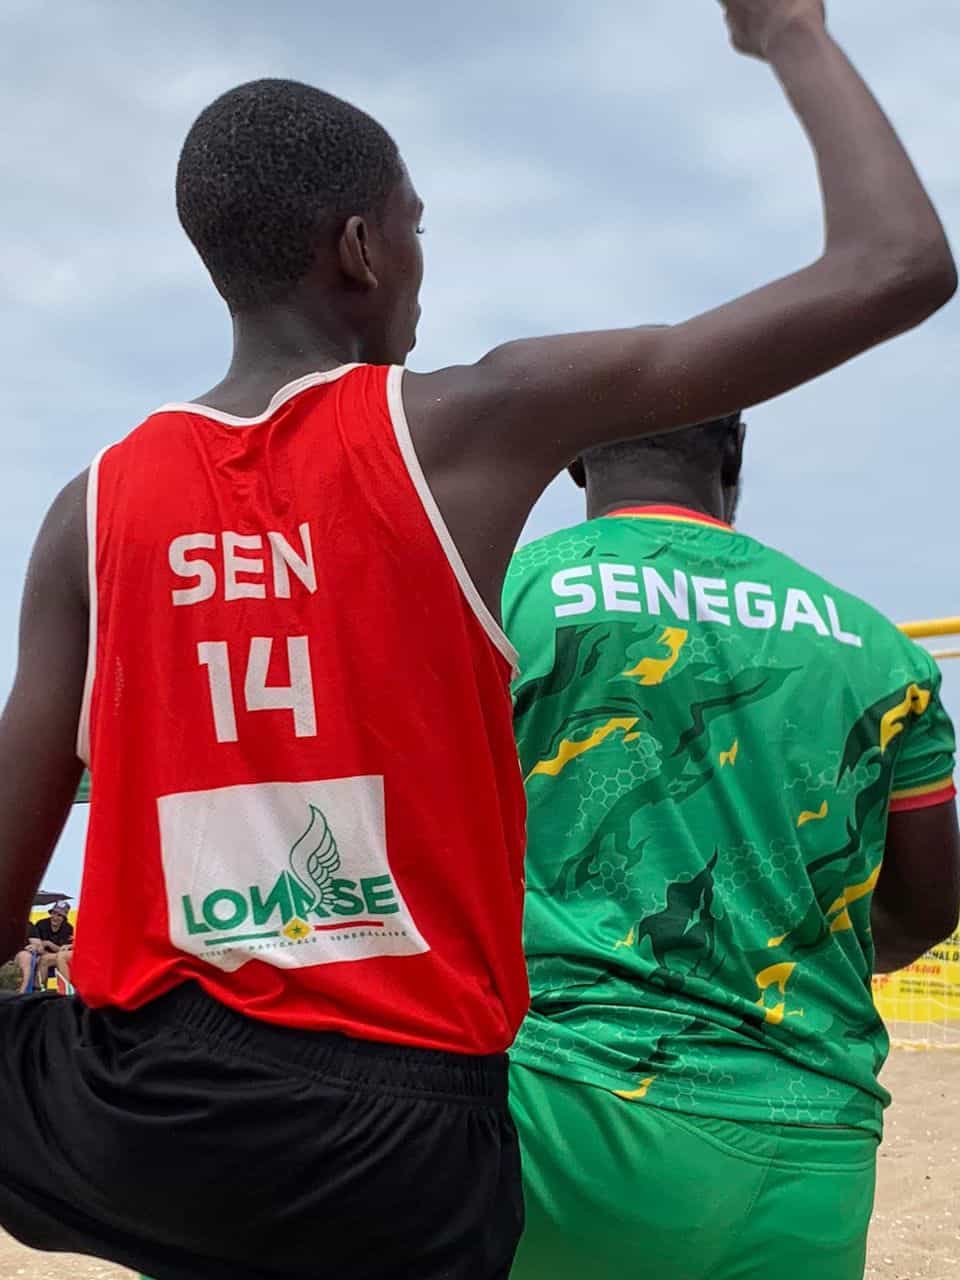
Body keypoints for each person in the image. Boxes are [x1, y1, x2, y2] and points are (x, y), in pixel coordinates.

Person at [0, 3, 955, 1277]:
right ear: (362, 250)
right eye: (417, 228)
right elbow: (896, 264)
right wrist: (788, 34)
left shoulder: (94, 505)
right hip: (404, 1136)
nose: (422, 260)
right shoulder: (462, 431)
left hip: (144, 1118)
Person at [503, 413, 960, 1280]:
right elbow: (926, 908)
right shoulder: (878, 648)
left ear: (571, 462)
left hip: (557, 1110)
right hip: (808, 1130)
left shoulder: (499, 598)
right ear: (734, 453)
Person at [13, 901, 74, 993]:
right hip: (42, 955)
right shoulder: (41, 924)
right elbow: (39, 947)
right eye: (54, 913)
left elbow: (64, 949)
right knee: (44, 959)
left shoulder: (68, 928)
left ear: (64, 918)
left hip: (56, 956)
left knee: (52, 958)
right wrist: (54, 949)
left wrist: (49, 944)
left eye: (59, 915)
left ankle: (64, 989)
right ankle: (40, 990)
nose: (55, 917)